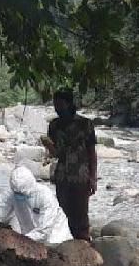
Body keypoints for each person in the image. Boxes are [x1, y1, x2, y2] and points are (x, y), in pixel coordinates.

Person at [41, 88, 97, 241]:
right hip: (62, 174)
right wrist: (48, 146)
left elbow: (92, 152)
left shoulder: (85, 124)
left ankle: (84, 245)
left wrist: (93, 177)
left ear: (69, 104)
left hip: (81, 175)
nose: (57, 108)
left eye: (60, 105)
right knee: (62, 213)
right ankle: (66, 244)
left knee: (81, 215)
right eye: (55, 105)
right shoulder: (54, 125)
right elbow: (55, 154)